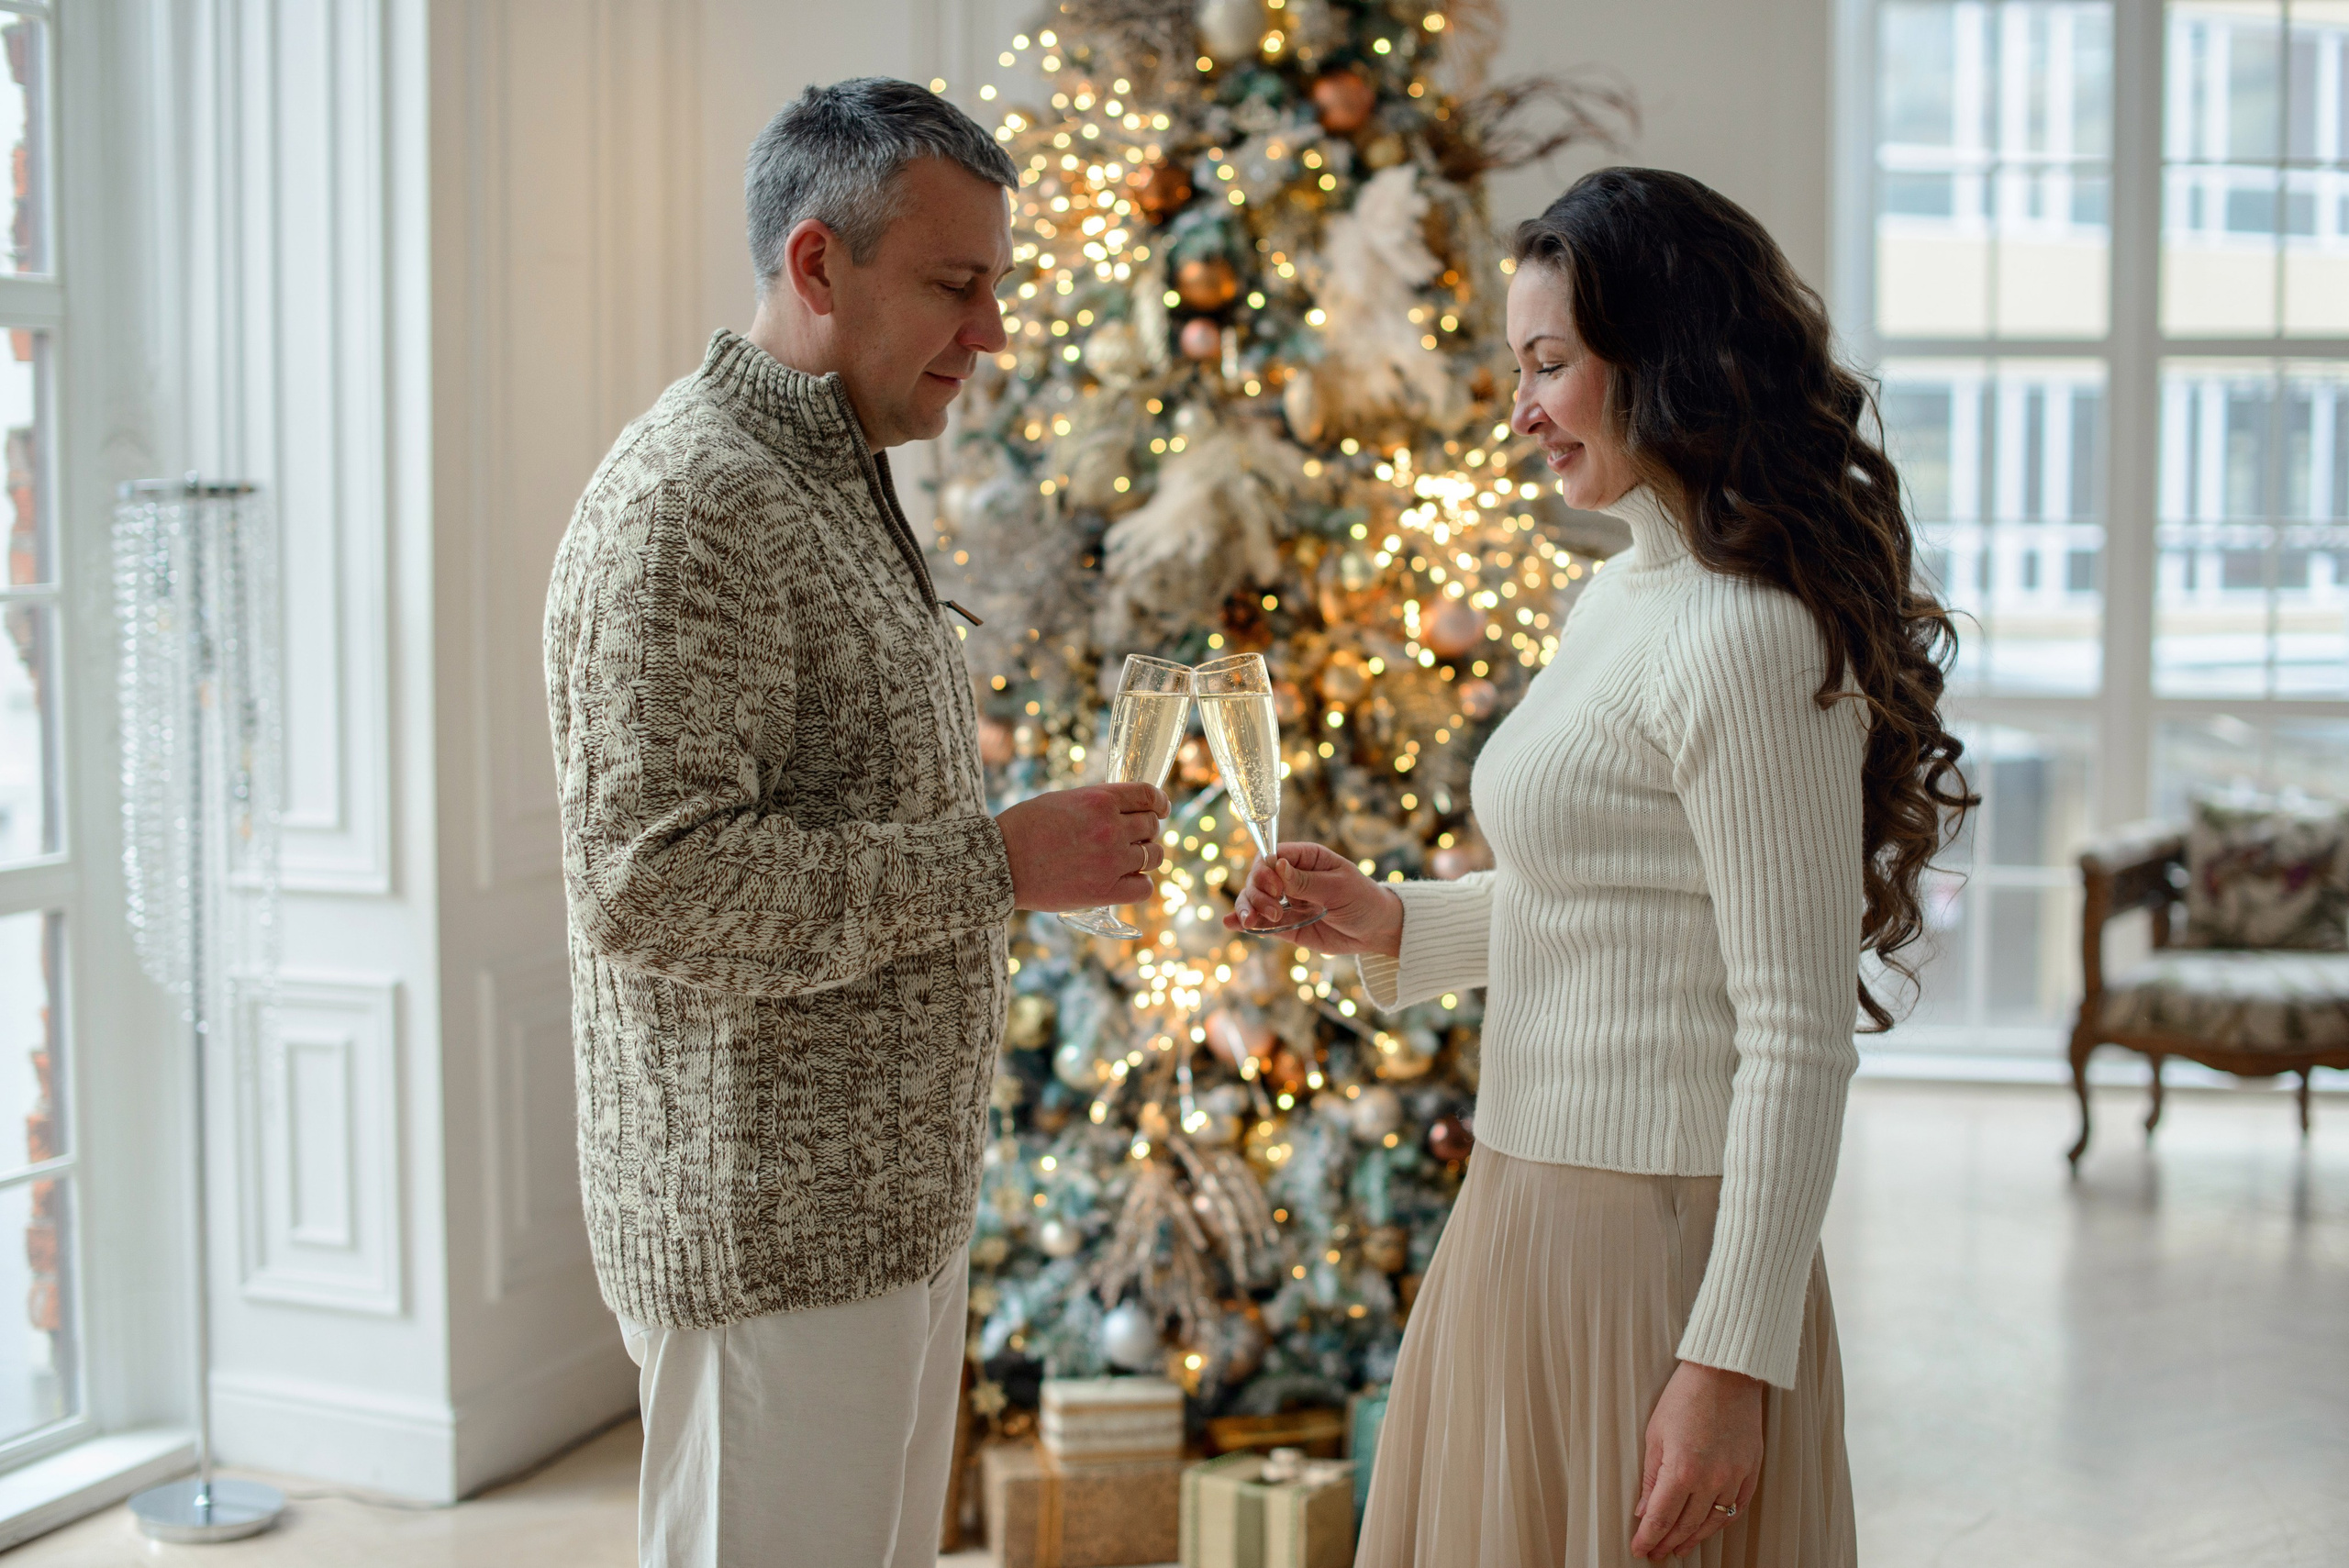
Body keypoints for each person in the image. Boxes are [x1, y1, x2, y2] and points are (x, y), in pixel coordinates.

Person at [1229, 168, 1974, 1566]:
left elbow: (1797, 1035)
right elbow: (1606, 892)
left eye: (1549, 363)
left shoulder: (1751, 640)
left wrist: (1728, 1362)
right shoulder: (1624, 585)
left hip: (1659, 1254)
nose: (1520, 408)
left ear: (1666, 359)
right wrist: (1395, 919)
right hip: (1521, 1205)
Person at [544, 79, 1169, 1568]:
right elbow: (658, 885)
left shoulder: (824, 471)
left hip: (875, 1216)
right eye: (958, 286)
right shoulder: (695, 506)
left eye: (996, 285)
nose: (993, 332)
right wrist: (996, 864)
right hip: (771, 1239)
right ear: (819, 266)